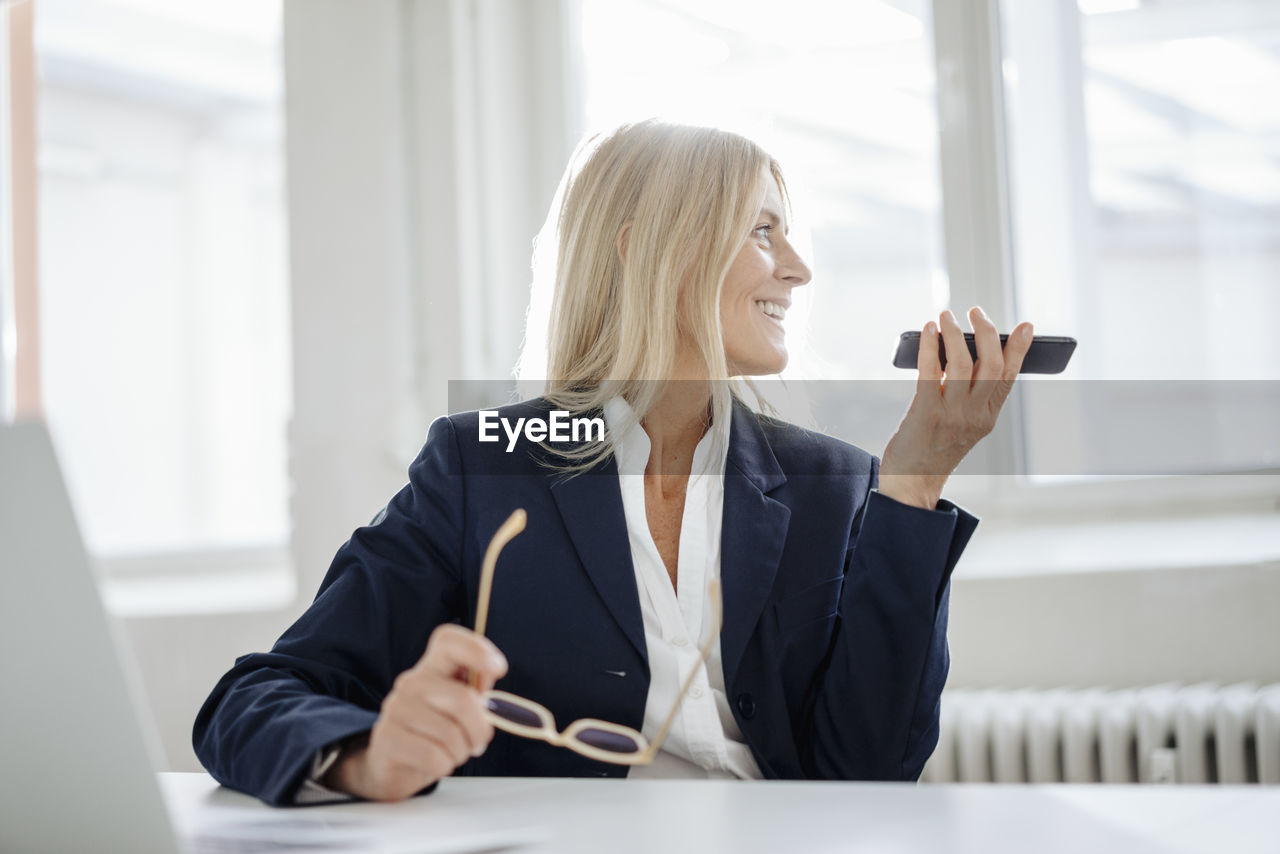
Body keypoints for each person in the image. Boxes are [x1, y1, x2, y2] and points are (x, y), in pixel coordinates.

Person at [193, 120, 1033, 806]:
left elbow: (871, 774)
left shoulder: (840, 484)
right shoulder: (480, 466)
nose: (798, 269)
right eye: (762, 230)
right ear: (649, 252)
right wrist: (368, 757)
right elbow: (251, 701)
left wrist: (915, 483)